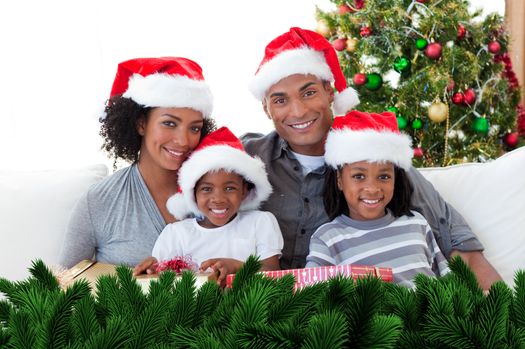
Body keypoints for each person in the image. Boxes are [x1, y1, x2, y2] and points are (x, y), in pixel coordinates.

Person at [242, 27, 501, 290]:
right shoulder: (245, 159)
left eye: (309, 93)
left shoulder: (377, 156)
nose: (298, 111)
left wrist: (507, 319)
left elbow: (462, 251)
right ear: (266, 108)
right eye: (280, 100)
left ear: (330, 92)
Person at [59, 56, 216, 268]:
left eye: (194, 128)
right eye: (169, 123)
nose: (183, 140)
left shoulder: (217, 191)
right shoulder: (99, 201)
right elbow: (64, 286)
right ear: (141, 124)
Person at [305, 110, 450, 288]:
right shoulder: (327, 239)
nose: (373, 189)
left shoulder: (417, 224)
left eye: (384, 177)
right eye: (358, 176)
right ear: (339, 181)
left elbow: (446, 279)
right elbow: (310, 294)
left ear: (396, 179)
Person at [133, 126, 283, 286]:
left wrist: (239, 267)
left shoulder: (260, 223)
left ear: (244, 191)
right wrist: (151, 269)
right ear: (193, 193)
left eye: (229, 188)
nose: (218, 199)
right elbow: (162, 278)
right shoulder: (176, 234)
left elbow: (273, 273)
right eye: (206, 189)